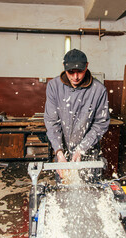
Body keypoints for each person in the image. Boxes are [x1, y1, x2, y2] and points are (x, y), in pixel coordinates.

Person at [44, 48, 110, 181]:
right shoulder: (54, 86)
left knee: (90, 190)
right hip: (63, 150)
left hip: (88, 150)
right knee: (63, 189)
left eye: (80, 71)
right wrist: (59, 152)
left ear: (87, 66)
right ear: (64, 67)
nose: (76, 77)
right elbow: (52, 122)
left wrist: (81, 149)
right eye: (71, 72)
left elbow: (100, 124)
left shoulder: (99, 90)